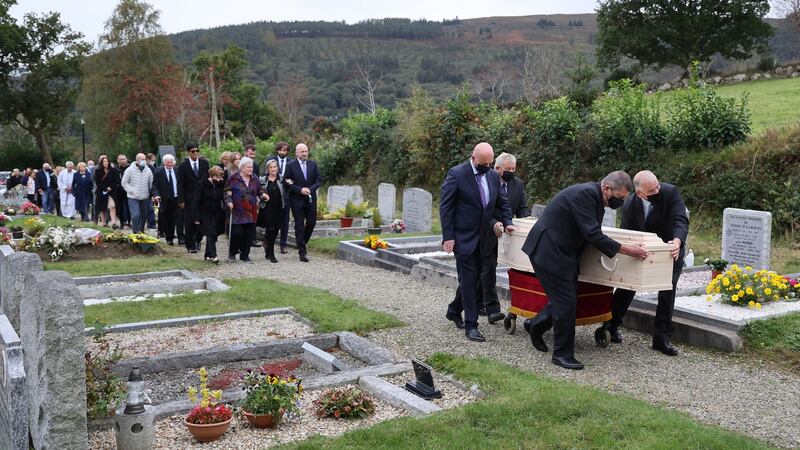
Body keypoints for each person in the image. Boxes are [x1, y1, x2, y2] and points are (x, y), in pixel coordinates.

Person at [521, 171, 649, 370]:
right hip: (549, 250)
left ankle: (535, 325)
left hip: (563, 252)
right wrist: (627, 250)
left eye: (624, 199)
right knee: (566, 302)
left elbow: (589, 230)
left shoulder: (595, 196)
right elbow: (593, 234)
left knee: (566, 298)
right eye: (619, 198)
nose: (620, 203)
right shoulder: (585, 195)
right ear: (607, 189)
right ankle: (562, 354)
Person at [602, 171, 688, 356]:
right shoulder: (630, 205)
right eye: (652, 189)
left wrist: (677, 241)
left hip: (670, 250)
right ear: (640, 193)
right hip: (642, 251)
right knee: (627, 284)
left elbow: (680, 220)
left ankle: (661, 337)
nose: (658, 190)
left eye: (657, 186)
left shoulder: (671, 192)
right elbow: (629, 234)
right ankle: (611, 324)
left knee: (667, 290)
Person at [440, 142, 514, 342]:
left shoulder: (491, 176)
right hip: (464, 238)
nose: (488, 167)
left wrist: (507, 222)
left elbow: (502, 202)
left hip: (486, 238)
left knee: (474, 280)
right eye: (484, 163)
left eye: (490, 163)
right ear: (474, 158)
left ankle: (454, 310)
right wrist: (448, 236)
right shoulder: (457, 174)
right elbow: (446, 207)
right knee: (470, 280)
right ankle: (471, 325)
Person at [283, 143, 322, 262]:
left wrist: (310, 189)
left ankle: (302, 242)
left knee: (312, 222)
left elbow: (318, 180)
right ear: (296, 153)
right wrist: (300, 189)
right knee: (299, 225)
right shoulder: (290, 165)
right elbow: (286, 182)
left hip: (310, 199)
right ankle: (302, 252)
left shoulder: (313, 164)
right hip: (297, 200)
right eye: (302, 152)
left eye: (306, 151)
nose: (304, 154)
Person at [224, 157, 268, 262]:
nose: (251, 169)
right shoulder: (233, 178)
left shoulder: (254, 178)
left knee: (249, 235)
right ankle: (233, 251)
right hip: (237, 211)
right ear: (242, 168)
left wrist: (263, 195)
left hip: (251, 211)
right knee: (237, 233)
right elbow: (227, 191)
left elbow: (259, 190)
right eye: (248, 167)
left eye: (251, 167)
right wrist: (228, 201)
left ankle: (245, 255)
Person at [178, 143, 209, 253]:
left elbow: (207, 180)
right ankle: (190, 244)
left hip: (202, 197)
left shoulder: (204, 163)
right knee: (189, 222)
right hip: (189, 198)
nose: (195, 153)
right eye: (193, 151)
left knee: (202, 221)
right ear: (188, 152)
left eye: (197, 150)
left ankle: (197, 240)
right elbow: (180, 183)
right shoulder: (183, 166)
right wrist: (181, 200)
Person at [192, 165, 226, 264]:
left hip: (216, 212)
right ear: (211, 176)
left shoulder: (220, 184)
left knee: (214, 234)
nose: (219, 179)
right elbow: (196, 201)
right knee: (211, 233)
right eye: (217, 177)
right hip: (204, 212)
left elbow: (222, 196)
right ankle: (214, 255)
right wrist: (196, 217)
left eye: (220, 177)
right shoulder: (202, 184)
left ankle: (207, 254)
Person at [265, 141, 292, 254]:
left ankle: (283, 244)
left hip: (286, 195)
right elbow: (265, 176)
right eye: (280, 150)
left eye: (284, 150)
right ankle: (267, 240)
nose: (282, 152)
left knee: (284, 221)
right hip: (272, 195)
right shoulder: (270, 160)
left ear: (287, 151)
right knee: (270, 220)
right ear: (277, 150)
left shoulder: (291, 162)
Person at [152, 154, 184, 246]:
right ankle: (169, 238)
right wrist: (156, 195)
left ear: (173, 162)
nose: (170, 164)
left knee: (179, 219)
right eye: (167, 162)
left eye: (171, 162)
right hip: (165, 200)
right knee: (168, 220)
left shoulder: (178, 171)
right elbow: (154, 186)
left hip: (177, 199)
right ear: (164, 163)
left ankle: (181, 238)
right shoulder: (159, 172)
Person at [258, 159, 284, 263]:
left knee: (275, 230)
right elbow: (258, 192)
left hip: (279, 208)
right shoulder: (263, 180)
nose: (273, 169)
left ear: (277, 168)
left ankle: (267, 248)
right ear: (267, 169)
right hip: (267, 208)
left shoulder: (282, 179)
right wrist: (262, 195)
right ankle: (271, 254)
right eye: (271, 167)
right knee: (270, 230)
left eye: (275, 167)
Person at [121, 153, 154, 233]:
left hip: (145, 197)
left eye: (145, 159)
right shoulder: (129, 170)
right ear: (137, 160)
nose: (144, 161)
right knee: (136, 215)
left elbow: (151, 183)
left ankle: (141, 231)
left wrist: (152, 194)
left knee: (143, 216)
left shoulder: (148, 170)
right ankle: (135, 232)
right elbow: (124, 182)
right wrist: (131, 191)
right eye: (142, 159)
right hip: (133, 197)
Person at [94, 156, 120, 228]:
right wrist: (105, 188)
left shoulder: (113, 170)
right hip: (101, 191)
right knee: (103, 208)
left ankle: (113, 223)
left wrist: (111, 187)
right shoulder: (98, 171)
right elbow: (97, 182)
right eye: (104, 161)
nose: (105, 163)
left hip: (112, 191)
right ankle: (104, 222)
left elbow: (117, 181)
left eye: (107, 161)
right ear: (101, 163)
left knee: (112, 206)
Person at [115, 155, 131, 228]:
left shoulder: (130, 168)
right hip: (119, 191)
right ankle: (122, 222)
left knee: (129, 206)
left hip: (129, 190)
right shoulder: (115, 169)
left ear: (126, 160)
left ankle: (129, 222)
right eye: (121, 159)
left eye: (124, 159)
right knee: (120, 207)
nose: (123, 161)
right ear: (118, 160)